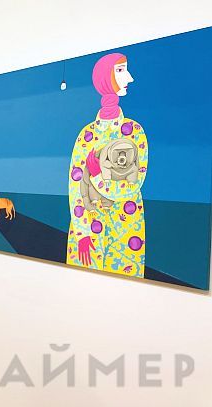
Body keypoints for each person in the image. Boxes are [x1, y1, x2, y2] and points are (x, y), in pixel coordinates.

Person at [67, 53, 148, 277]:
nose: (129, 78)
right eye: (121, 70)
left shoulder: (134, 132)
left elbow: (133, 186)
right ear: (104, 78)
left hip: (126, 230)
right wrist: (82, 233)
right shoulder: (87, 134)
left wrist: (96, 175)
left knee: (127, 290)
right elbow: (75, 186)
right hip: (88, 230)